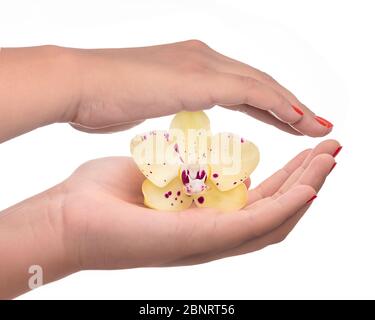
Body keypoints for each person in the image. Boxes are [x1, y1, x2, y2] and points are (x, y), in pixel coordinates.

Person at [0, 40, 341, 299]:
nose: (194, 182)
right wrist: (73, 80)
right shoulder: (169, 183)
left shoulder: (202, 184)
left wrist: (61, 231)